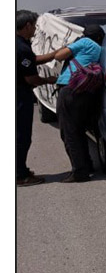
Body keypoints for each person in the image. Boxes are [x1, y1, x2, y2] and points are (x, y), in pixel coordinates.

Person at [52, 25, 105, 183]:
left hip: (70, 88)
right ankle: (86, 165)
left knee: (69, 132)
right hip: (86, 91)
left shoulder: (84, 42)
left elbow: (59, 56)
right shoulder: (99, 48)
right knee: (79, 129)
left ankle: (80, 172)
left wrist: (69, 45)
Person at [16, 10, 59, 186]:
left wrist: (55, 54)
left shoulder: (18, 44)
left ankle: (20, 169)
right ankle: (20, 176)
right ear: (27, 26)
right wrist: (49, 80)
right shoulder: (22, 48)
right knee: (21, 136)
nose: (35, 29)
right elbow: (31, 79)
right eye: (34, 26)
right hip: (20, 97)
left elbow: (33, 60)